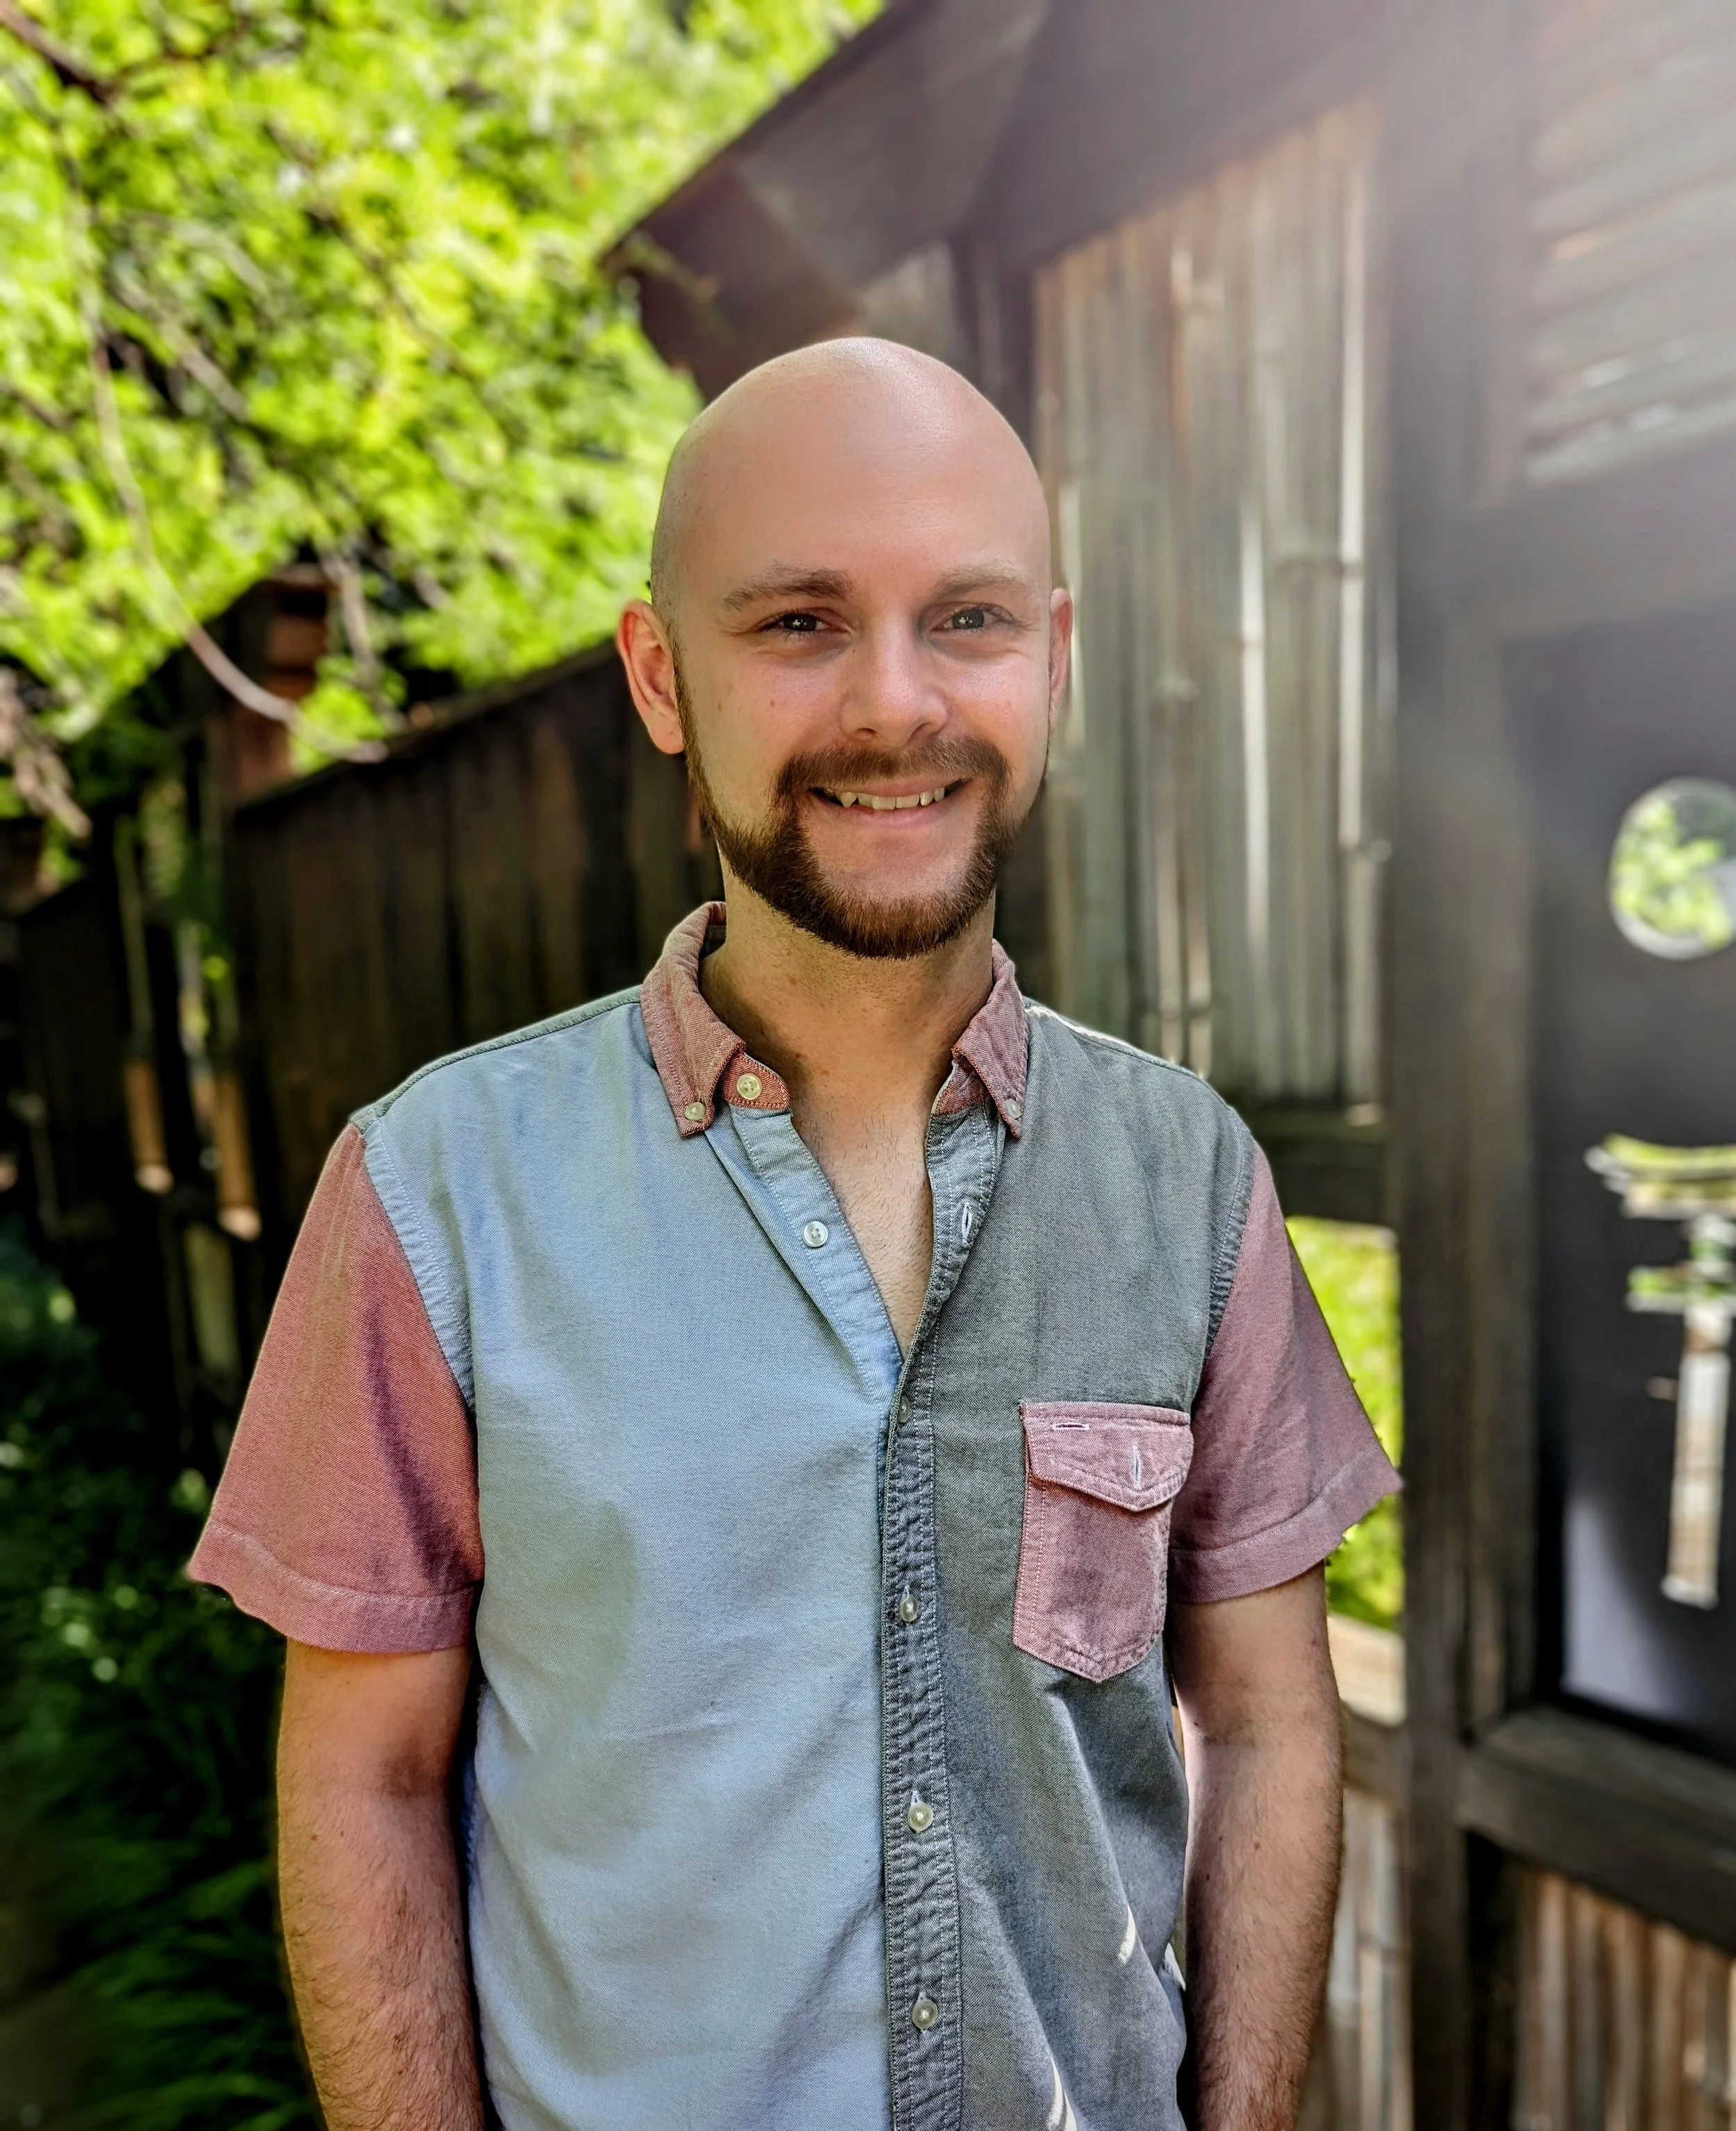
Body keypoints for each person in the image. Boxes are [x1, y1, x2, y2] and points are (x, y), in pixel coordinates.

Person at [190, 338, 1397, 2131]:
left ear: (1051, 657)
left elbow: (1269, 1720)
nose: (893, 703)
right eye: (799, 623)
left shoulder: (1187, 1176)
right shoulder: (436, 1187)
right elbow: (362, 1775)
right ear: (660, 675)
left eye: (966, 618)